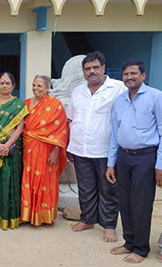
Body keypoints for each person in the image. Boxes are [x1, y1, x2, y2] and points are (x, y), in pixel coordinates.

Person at [106, 60, 162, 264]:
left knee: (141, 204)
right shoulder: (119, 100)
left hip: (146, 157)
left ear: (143, 75)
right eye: (126, 74)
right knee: (126, 202)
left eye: (133, 73)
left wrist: (159, 165)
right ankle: (129, 242)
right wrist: (111, 163)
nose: (129, 77)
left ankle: (140, 248)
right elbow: (114, 133)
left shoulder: (156, 97)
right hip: (123, 156)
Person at [67, 51, 126, 242]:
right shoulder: (78, 91)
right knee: (85, 187)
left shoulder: (118, 88)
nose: (91, 72)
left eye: (95, 68)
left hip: (106, 151)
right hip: (80, 149)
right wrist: (69, 145)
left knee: (108, 189)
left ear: (103, 68)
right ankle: (88, 219)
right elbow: (71, 119)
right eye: (87, 69)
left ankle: (109, 226)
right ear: (83, 72)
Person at [0, 72, 29, 230]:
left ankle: (10, 217)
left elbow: (20, 128)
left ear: (13, 85)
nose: (4, 86)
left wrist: (6, 146)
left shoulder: (18, 104)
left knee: (10, 181)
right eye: (2, 83)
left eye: (8, 83)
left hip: (11, 147)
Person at [20, 75, 68, 226]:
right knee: (29, 180)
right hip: (29, 149)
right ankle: (28, 215)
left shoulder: (55, 105)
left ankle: (45, 216)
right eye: (34, 85)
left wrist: (55, 151)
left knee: (46, 181)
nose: (36, 88)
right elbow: (20, 127)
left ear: (48, 88)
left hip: (48, 152)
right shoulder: (26, 104)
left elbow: (62, 129)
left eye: (39, 85)